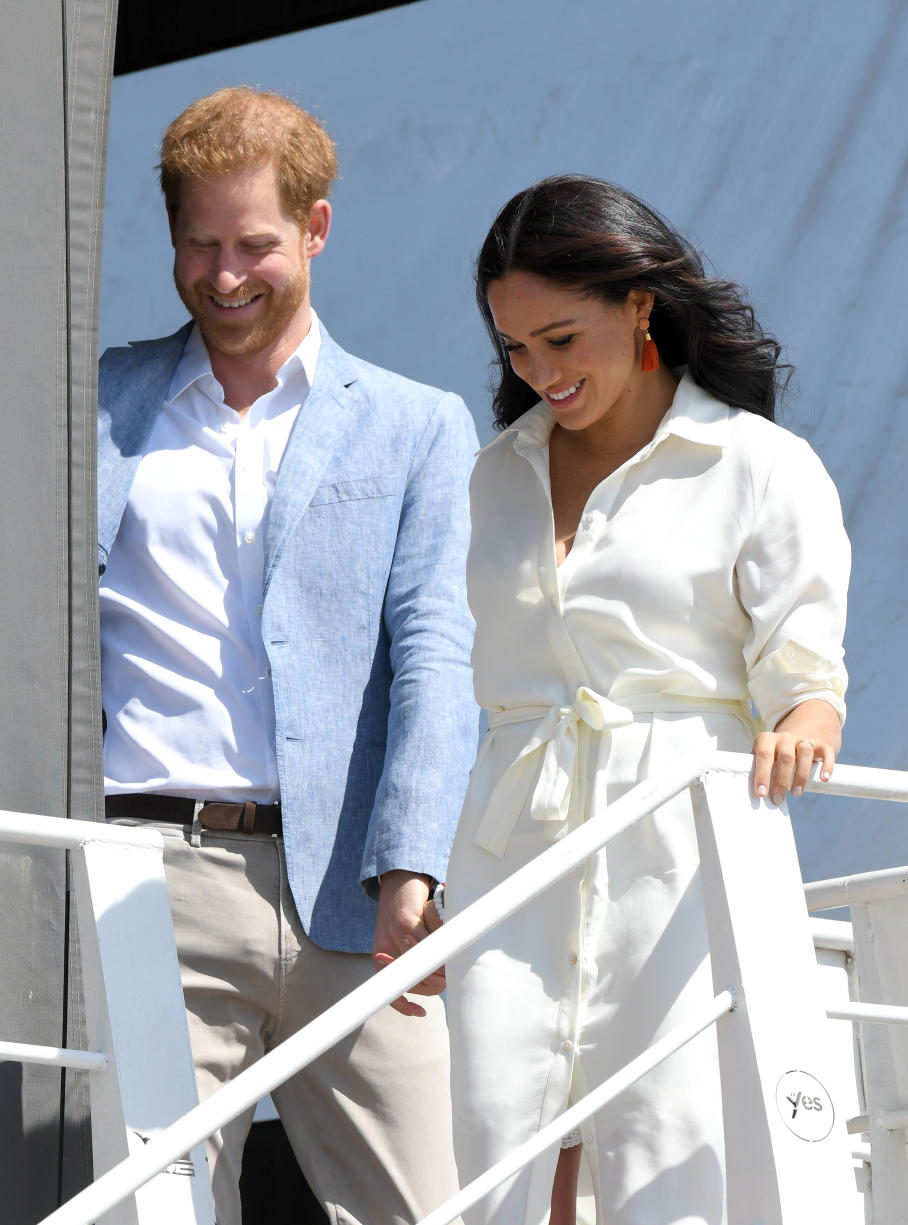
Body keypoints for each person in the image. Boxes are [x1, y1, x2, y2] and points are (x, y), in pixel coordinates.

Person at [97, 87, 479, 1225]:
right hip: (148, 876)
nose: (224, 276)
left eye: (255, 244)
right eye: (199, 245)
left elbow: (437, 650)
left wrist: (413, 862)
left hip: (358, 893)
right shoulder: (98, 399)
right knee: (160, 1211)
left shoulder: (418, 423)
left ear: (316, 229)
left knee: (426, 1210)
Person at [439, 175, 850, 1225]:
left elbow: (805, 665)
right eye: (516, 349)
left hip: (680, 840)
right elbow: (481, 680)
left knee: (673, 1147)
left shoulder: (759, 465)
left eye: (562, 339)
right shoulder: (494, 476)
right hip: (514, 848)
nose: (540, 372)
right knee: (499, 1147)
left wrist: (808, 715)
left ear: (641, 305)